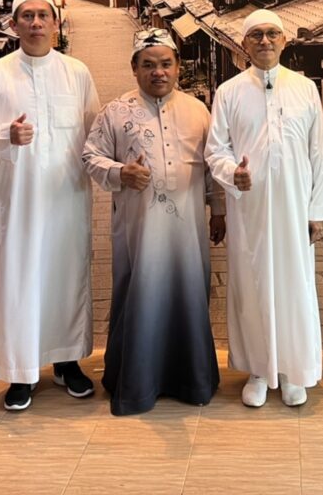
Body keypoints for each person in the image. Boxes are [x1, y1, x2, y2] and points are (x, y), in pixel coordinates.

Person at [0, 0, 99, 411]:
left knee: (67, 277)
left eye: (44, 15)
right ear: (13, 25)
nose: (36, 22)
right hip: (19, 200)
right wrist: (6, 135)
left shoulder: (77, 72)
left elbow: (95, 133)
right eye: (27, 16)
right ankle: (21, 373)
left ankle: (67, 362)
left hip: (68, 197)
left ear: (56, 23)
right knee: (20, 282)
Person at [82, 28, 225, 415]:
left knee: (190, 296)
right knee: (140, 296)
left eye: (165, 64)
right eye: (148, 65)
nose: (158, 72)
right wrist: (120, 172)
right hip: (138, 232)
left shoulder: (198, 110)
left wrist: (219, 210)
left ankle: (192, 381)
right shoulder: (115, 112)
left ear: (178, 67)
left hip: (188, 231)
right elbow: (90, 156)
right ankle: (137, 385)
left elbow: (211, 166)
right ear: (134, 68)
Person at [205, 10, 323, 408]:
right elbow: (215, 150)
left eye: (272, 34)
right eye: (256, 35)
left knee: (295, 285)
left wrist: (317, 211)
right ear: (244, 44)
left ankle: (293, 370)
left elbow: (318, 152)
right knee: (252, 283)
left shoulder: (304, 88)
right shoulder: (228, 91)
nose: (264, 41)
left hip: (295, 205)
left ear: (284, 40)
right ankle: (259, 370)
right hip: (250, 207)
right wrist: (232, 174)